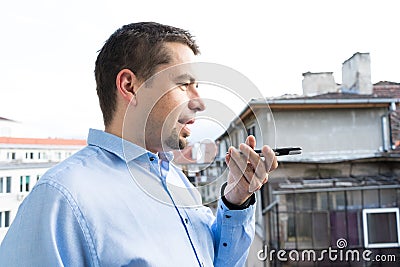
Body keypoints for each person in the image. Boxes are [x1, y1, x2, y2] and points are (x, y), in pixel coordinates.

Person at [0, 22, 277, 266]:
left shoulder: (176, 181)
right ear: (130, 86)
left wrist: (236, 200)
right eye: (184, 84)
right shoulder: (61, 197)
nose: (199, 101)